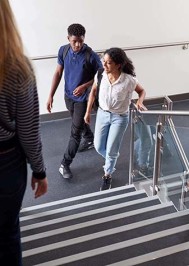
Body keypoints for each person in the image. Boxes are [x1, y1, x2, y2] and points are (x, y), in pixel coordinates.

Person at [0, 1, 48, 264]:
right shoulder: (17, 68)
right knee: (7, 232)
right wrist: (39, 171)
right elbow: (29, 131)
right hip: (6, 163)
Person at [84, 47, 147, 191]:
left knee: (111, 150)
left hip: (120, 118)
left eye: (108, 63)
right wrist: (87, 112)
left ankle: (107, 175)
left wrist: (139, 101)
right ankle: (111, 157)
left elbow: (142, 91)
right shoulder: (100, 74)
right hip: (102, 114)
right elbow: (93, 92)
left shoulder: (128, 80)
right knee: (99, 146)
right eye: (104, 61)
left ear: (118, 64)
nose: (104, 65)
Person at [47, 23, 103, 179]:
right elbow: (58, 73)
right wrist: (50, 95)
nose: (78, 44)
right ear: (68, 39)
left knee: (75, 132)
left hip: (83, 99)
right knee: (77, 121)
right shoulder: (63, 50)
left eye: (81, 41)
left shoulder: (90, 55)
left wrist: (85, 86)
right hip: (68, 96)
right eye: (74, 41)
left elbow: (100, 76)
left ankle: (64, 164)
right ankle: (90, 138)